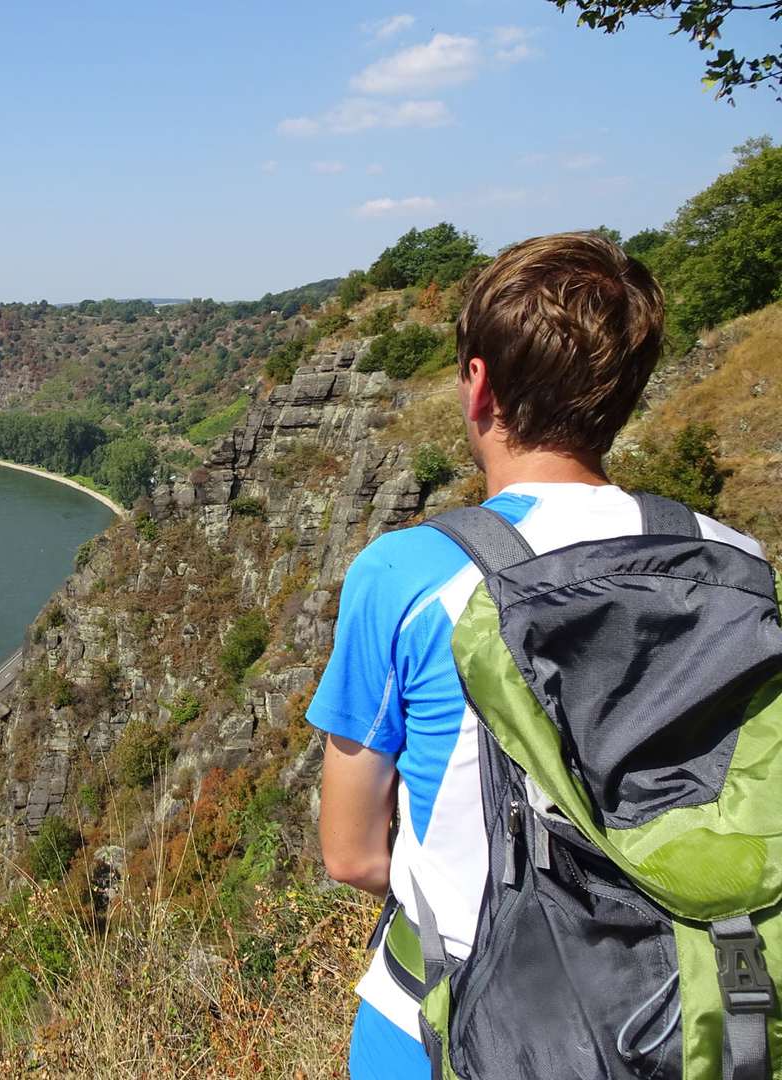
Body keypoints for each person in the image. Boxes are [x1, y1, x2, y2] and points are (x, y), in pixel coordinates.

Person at [305, 232, 764, 1079]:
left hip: (446, 1023)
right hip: (685, 1019)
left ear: (479, 386)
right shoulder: (736, 561)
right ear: (627, 389)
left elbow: (352, 853)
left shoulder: (407, 574)